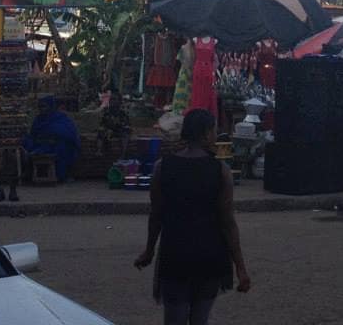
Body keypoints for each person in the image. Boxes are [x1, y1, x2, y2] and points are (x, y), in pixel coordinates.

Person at [134, 109, 251, 325]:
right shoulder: (220, 171)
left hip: (175, 252)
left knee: (174, 318)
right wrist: (241, 268)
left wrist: (149, 251)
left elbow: (156, 215)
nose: (216, 136)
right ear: (207, 134)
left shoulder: (163, 167)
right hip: (209, 254)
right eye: (215, 131)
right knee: (200, 319)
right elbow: (227, 223)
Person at [23, 96, 81, 182]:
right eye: (40, 107)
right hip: (41, 144)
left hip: (57, 145)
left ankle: (61, 175)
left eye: (44, 106)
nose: (42, 109)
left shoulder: (60, 117)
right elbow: (33, 133)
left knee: (64, 149)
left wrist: (53, 136)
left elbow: (68, 133)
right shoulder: (38, 119)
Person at [96, 89, 132, 157]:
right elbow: (103, 124)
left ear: (119, 101)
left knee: (125, 134)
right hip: (109, 131)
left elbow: (126, 126)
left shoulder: (122, 114)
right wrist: (108, 130)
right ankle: (99, 151)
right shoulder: (106, 113)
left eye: (114, 99)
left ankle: (123, 154)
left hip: (120, 131)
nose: (112, 101)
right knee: (101, 131)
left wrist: (117, 128)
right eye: (111, 99)